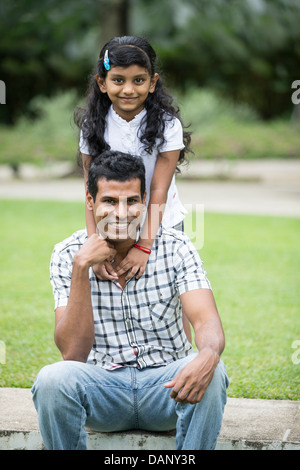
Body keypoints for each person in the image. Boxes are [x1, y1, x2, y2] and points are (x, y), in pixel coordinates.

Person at [31, 150, 229, 451]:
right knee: (51, 379)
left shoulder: (176, 247)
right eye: (110, 201)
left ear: (145, 200)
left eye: (132, 201)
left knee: (212, 368)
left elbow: (206, 320)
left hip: (169, 389)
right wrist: (81, 268)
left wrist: (209, 353)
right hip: (103, 392)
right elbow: (72, 353)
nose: (122, 213)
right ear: (90, 201)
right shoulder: (67, 254)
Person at [74, 35, 192, 339]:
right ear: (102, 82)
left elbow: (158, 191)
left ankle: (186, 361)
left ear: (152, 83)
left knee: (173, 297)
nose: (128, 89)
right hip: (113, 222)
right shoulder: (93, 125)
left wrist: (144, 246)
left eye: (138, 80)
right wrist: (93, 242)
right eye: (118, 80)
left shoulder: (167, 125)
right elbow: (90, 192)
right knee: (115, 297)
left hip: (161, 221)